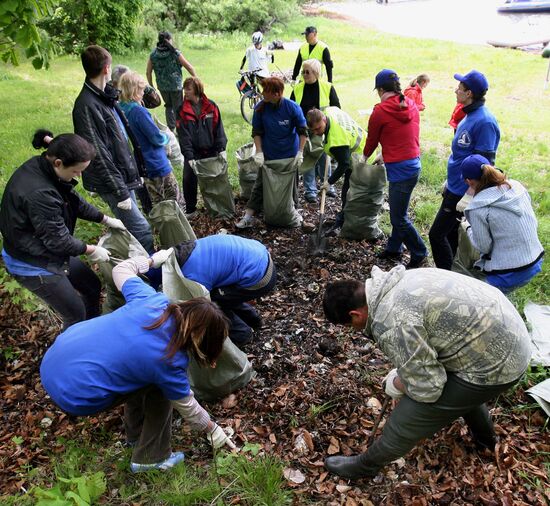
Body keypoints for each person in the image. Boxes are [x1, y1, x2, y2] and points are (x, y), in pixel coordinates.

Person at [322, 265, 531, 480]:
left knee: (405, 419)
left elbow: (428, 387)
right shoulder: (396, 281)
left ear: (355, 314)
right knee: (461, 392)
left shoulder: (391, 322)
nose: (353, 330)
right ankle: (487, 441)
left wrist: (399, 383)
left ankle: (365, 466)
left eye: (349, 326)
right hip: (508, 331)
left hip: (500, 361)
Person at [40, 253, 236, 473]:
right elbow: (188, 407)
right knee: (162, 390)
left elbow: (120, 270)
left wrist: (152, 260)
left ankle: (136, 435)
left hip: (55, 357)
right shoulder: (169, 360)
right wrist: (212, 429)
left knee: (142, 376)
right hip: (75, 391)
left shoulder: (154, 301)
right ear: (201, 339)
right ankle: (150, 458)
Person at [0, 130, 124, 329]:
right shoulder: (39, 193)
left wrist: (106, 219)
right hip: (31, 260)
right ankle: (71, 351)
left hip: (46, 247)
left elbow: (72, 201)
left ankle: (92, 329)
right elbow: (58, 240)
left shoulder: (46, 169)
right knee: (75, 313)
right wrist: (91, 250)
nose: (79, 175)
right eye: (76, 171)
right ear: (58, 163)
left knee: (91, 285)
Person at [73, 45, 154, 253]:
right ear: (107, 69)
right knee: (142, 230)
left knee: (134, 227)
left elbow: (119, 139)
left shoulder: (104, 96)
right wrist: (120, 192)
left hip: (121, 175)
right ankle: (150, 273)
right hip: (111, 181)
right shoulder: (86, 105)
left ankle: (134, 263)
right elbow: (97, 154)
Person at [429, 70, 500, 270]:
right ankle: (453, 272)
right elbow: (461, 154)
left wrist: (469, 193)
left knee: (437, 235)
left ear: (469, 93)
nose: (455, 91)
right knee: (451, 235)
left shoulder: (484, 121)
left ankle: (445, 275)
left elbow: (484, 163)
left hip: (462, 191)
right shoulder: (468, 115)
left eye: (459, 88)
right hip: (455, 186)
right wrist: (450, 180)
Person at [152, 235, 276, 347]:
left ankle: (242, 335)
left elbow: (204, 308)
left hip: (261, 278)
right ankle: (254, 321)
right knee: (225, 295)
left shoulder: (192, 275)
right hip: (261, 256)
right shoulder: (186, 250)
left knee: (213, 304)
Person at [362, 69, 428, 269]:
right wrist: (386, 153)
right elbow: (406, 135)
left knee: (398, 217)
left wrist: (364, 158)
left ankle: (419, 251)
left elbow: (372, 139)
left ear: (381, 89)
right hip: (413, 164)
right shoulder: (411, 105)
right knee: (400, 212)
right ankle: (394, 247)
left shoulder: (380, 111)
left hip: (400, 170)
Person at [460, 154, 544, 293]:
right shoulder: (516, 186)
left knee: (477, 300)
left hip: (510, 272)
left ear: (469, 182)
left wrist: (468, 227)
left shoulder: (477, 208)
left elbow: (483, 247)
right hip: (535, 260)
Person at [236, 77, 307, 229]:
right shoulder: (261, 108)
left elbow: (303, 131)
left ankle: (295, 213)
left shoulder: (292, 108)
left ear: (277, 93)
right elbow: (257, 132)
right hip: (269, 155)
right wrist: (259, 152)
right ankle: (248, 216)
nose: (262, 94)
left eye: (265, 91)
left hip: (289, 156)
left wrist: (300, 152)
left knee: (291, 185)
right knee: (260, 185)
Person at [118, 71, 185, 210]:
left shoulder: (120, 108)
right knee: (175, 200)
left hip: (139, 165)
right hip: (155, 163)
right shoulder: (138, 112)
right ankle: (179, 228)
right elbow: (155, 137)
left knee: (156, 204)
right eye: (141, 90)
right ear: (134, 90)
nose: (143, 93)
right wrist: (167, 137)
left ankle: (161, 228)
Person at [306, 106, 366, 234]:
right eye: (313, 130)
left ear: (324, 119)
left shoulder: (336, 141)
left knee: (348, 191)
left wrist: (329, 182)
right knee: (348, 190)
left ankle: (344, 222)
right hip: (360, 144)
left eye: (318, 128)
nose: (316, 133)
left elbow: (344, 164)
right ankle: (344, 218)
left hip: (361, 158)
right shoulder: (329, 112)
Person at [176, 76, 228, 219]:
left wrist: (221, 148)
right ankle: (191, 209)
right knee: (188, 179)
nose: (185, 92)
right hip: (194, 152)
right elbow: (183, 135)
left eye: (188, 89)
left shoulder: (211, 106)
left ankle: (217, 207)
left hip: (211, 150)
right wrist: (189, 156)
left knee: (215, 179)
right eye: (184, 88)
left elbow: (219, 129)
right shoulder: (182, 110)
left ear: (197, 90)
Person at [290, 59, 340, 203]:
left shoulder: (327, 87)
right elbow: (292, 108)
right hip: (304, 130)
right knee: (308, 159)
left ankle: (328, 186)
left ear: (316, 73)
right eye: (303, 72)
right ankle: (310, 190)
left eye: (308, 72)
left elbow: (336, 108)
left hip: (322, 129)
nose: (304, 75)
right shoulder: (298, 89)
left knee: (325, 157)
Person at [147, 31, 197, 131]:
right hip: (176, 87)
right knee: (178, 108)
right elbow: (189, 67)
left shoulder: (153, 55)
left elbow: (148, 72)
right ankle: (180, 129)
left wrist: (152, 86)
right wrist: (196, 78)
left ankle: (171, 129)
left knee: (168, 106)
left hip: (162, 87)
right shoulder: (175, 53)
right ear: (169, 40)